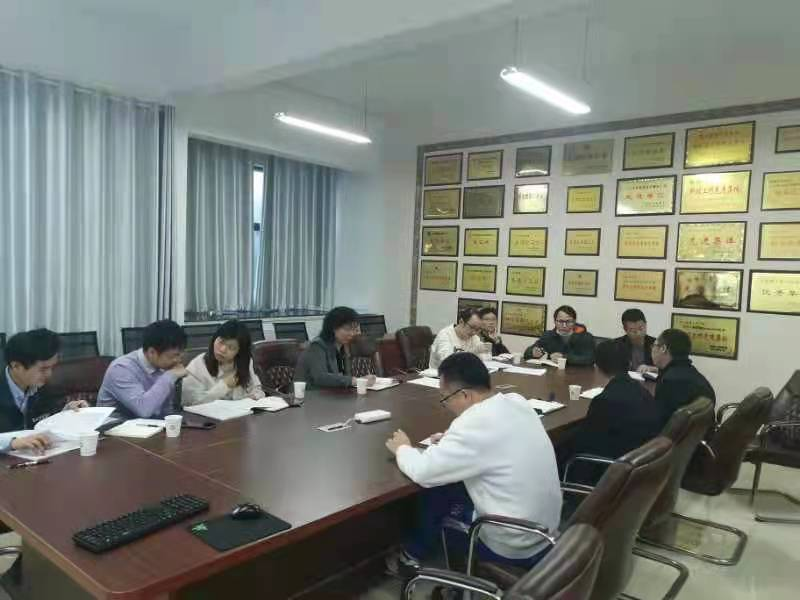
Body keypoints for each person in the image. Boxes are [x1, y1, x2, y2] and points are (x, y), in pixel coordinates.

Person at [384, 353, 562, 576]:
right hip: (545, 532)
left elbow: (423, 472)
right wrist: (451, 440)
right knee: (451, 481)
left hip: (513, 543)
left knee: (435, 490)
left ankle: (410, 555)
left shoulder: (472, 425)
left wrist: (402, 448)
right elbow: (491, 440)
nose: (446, 405)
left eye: (445, 398)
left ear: (465, 395)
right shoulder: (516, 401)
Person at [559, 340, 662, 475]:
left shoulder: (605, 400)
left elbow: (585, 442)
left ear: (597, 367)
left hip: (610, 469)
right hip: (640, 465)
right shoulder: (641, 391)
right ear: (629, 363)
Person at [0, 329, 88, 453]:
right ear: (16, 366)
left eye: (52, 367)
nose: (49, 374)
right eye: (43, 369)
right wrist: (12, 442)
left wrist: (64, 414)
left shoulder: (41, 386)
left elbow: (43, 423)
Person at [97, 320, 188, 418]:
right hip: (117, 425)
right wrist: (170, 376)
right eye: (174, 356)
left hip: (151, 424)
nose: (178, 360)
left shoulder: (163, 366)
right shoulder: (121, 368)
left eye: (180, 355)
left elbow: (166, 410)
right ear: (152, 352)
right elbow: (144, 410)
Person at [181, 320, 265, 406]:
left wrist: (254, 397)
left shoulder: (245, 362)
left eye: (231, 348)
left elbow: (257, 390)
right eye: (221, 342)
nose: (222, 349)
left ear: (239, 352)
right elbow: (192, 402)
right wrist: (224, 386)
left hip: (242, 412)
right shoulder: (197, 365)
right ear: (214, 339)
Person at [294, 307, 376, 388]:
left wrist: (359, 380)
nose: (351, 333)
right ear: (333, 328)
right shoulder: (316, 347)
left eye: (354, 329)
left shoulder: (342, 347)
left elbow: (343, 377)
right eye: (347, 329)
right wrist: (355, 381)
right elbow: (321, 378)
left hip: (332, 394)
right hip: (310, 394)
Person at [652, 328, 716, 427]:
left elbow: (659, 422)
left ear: (663, 348)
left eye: (654, 345)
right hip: (698, 434)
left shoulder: (671, 382)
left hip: (674, 435)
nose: (652, 349)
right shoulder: (690, 372)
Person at [523, 305, 595, 365]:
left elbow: (590, 360)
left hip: (577, 375)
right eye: (560, 321)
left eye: (568, 321)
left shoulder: (586, 337)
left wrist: (564, 358)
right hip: (553, 374)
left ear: (574, 321)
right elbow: (527, 353)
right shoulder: (548, 336)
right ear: (555, 321)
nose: (564, 325)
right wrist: (532, 352)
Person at [613, 308, 656, 373]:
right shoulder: (616, 345)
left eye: (641, 329)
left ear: (645, 325)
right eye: (633, 331)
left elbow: (667, 369)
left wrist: (653, 369)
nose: (638, 333)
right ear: (625, 329)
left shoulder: (656, 344)